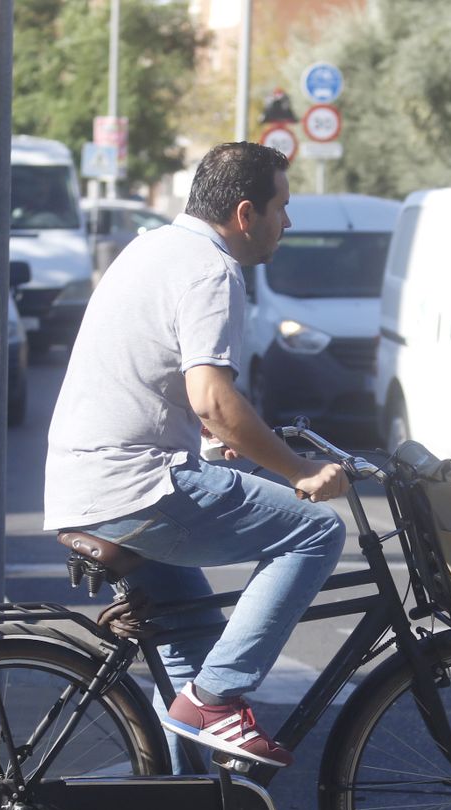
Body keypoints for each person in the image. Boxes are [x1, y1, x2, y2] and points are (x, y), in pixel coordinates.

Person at [44, 141, 347, 775]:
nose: (286, 224)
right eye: (282, 208)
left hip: (85, 479)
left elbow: (160, 384)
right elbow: (212, 397)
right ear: (245, 214)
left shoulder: (150, 247)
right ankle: (214, 704)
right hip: (137, 487)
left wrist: (219, 440)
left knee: (193, 648)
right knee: (316, 530)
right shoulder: (214, 270)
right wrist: (301, 472)